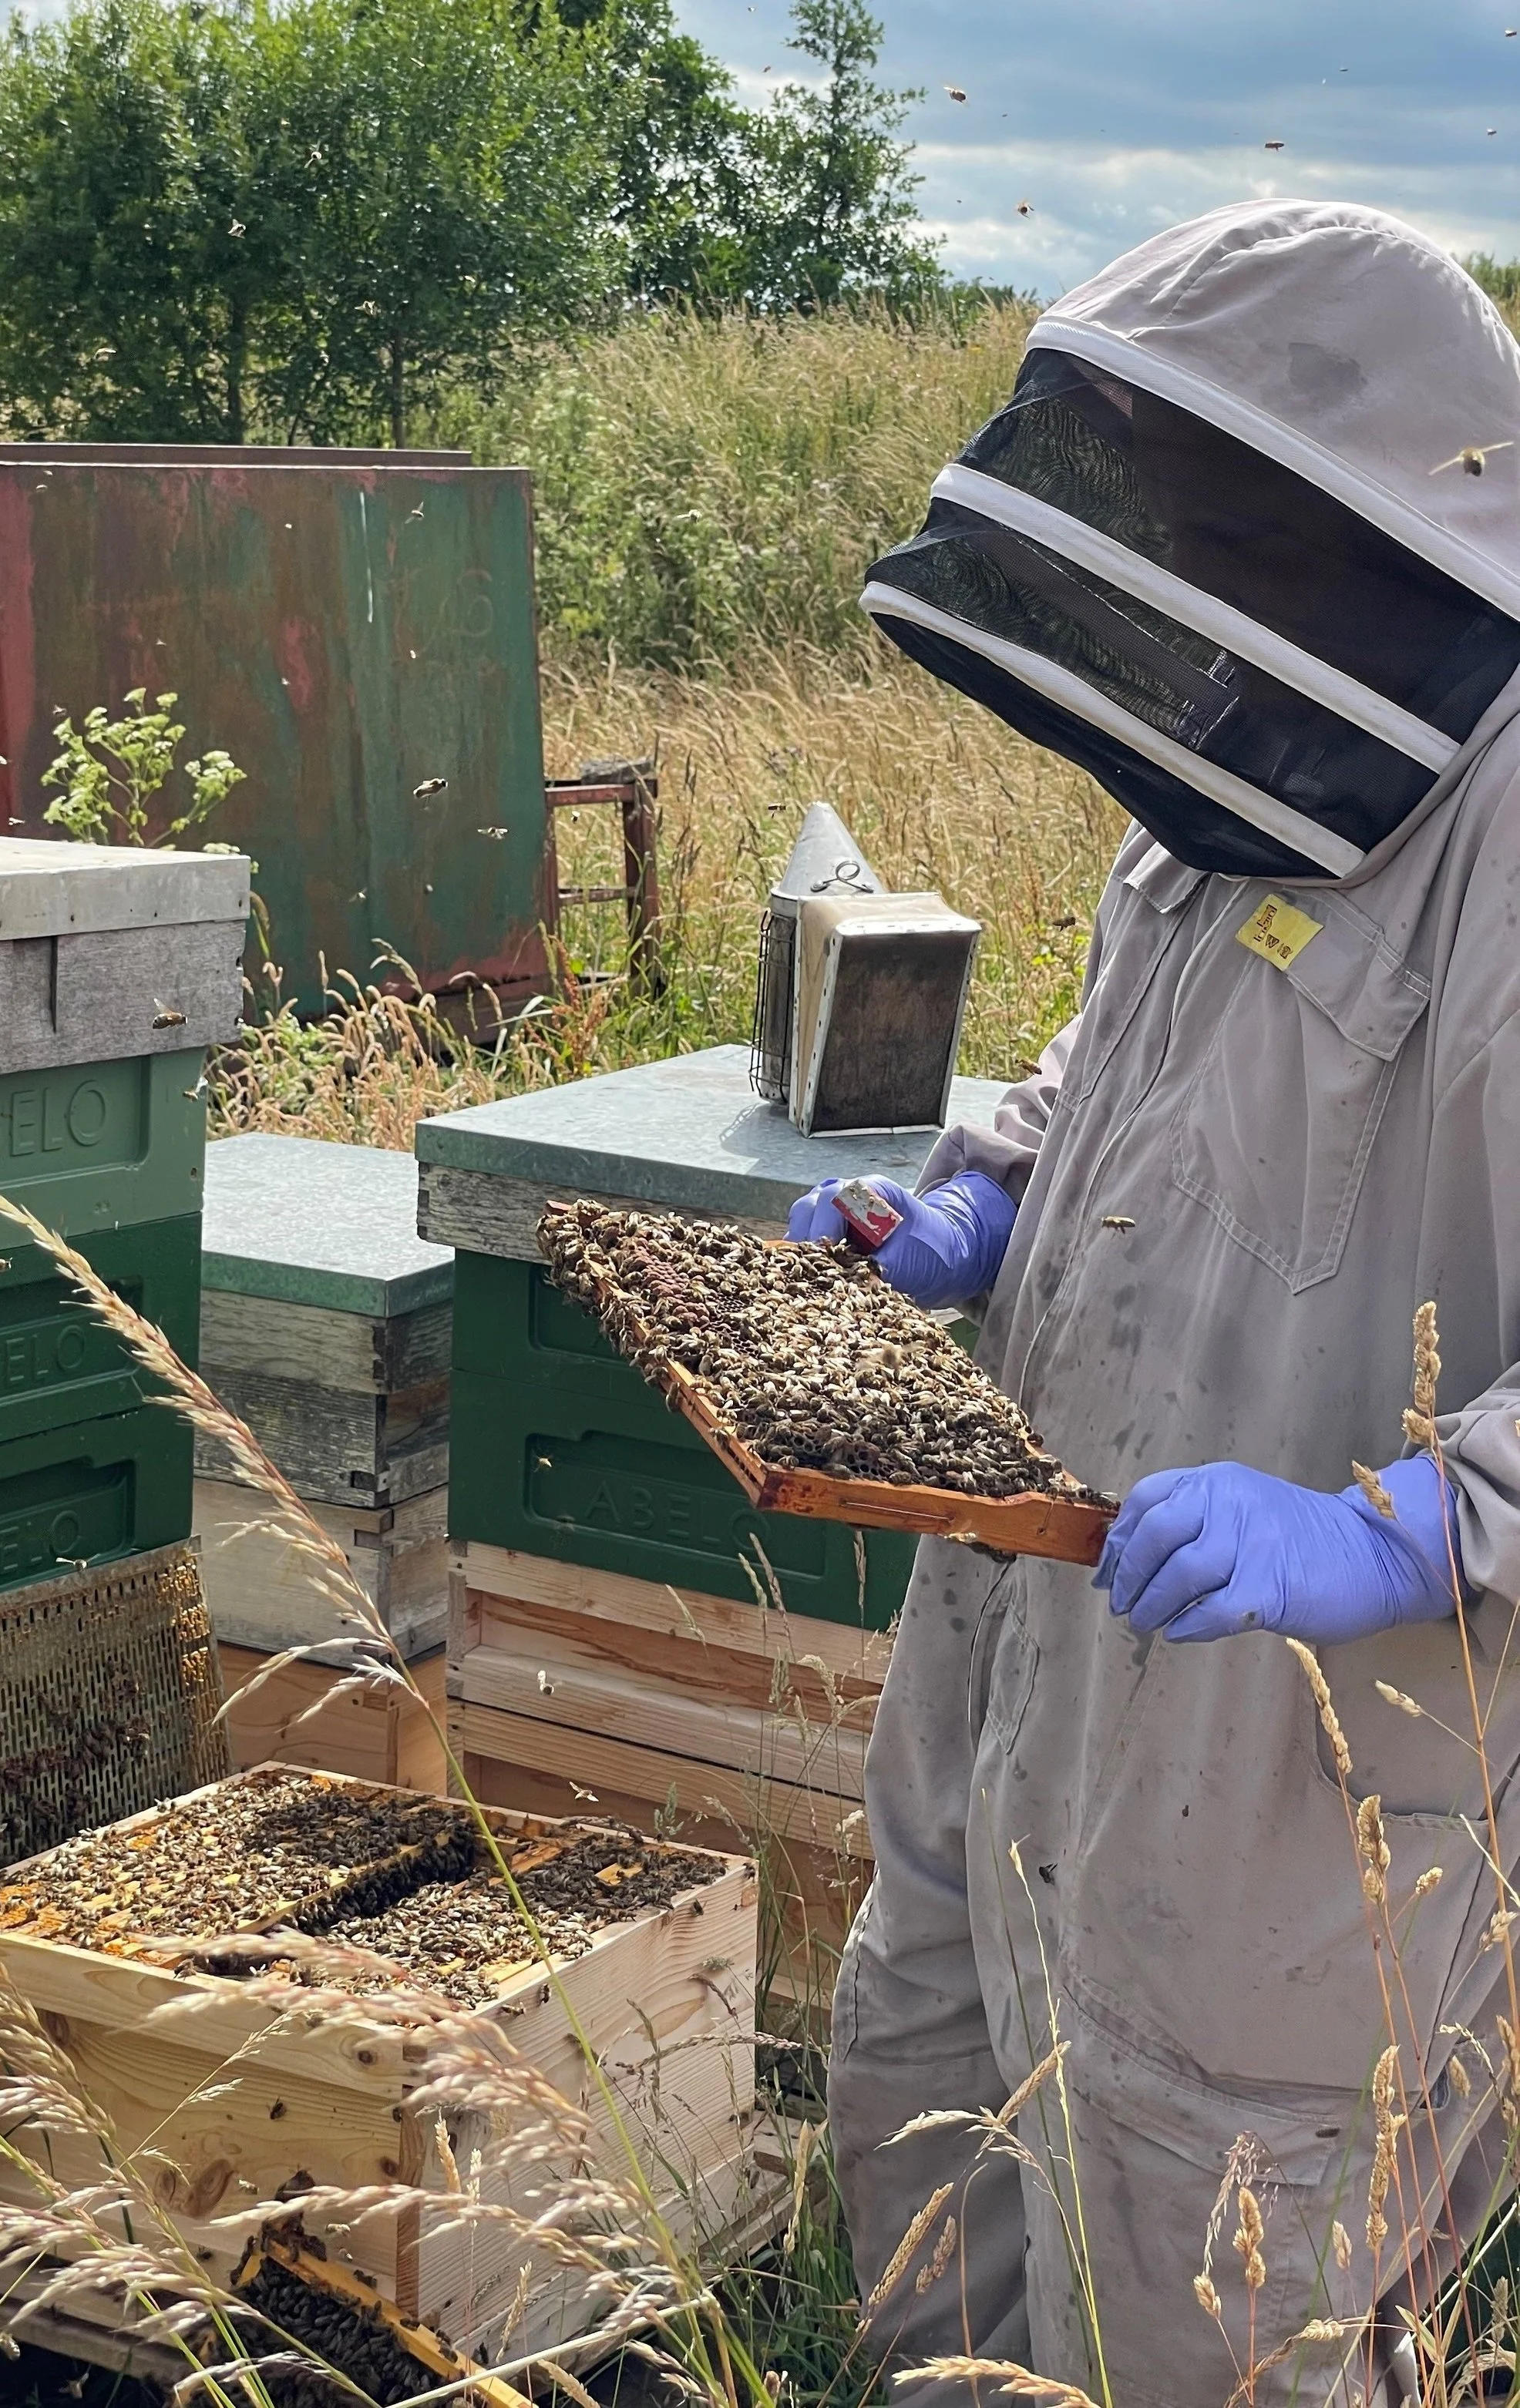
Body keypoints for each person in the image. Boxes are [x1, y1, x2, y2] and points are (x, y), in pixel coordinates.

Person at [786, 200, 1520, 2406]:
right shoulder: (1229, 760)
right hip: (1025, 1614)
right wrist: (978, 1205)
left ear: (1351, 522)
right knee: (927, 2105)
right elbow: (1111, 1066)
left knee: (1221, 2280)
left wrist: (1399, 1523)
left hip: (1310, 1752)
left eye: (1205, 516)